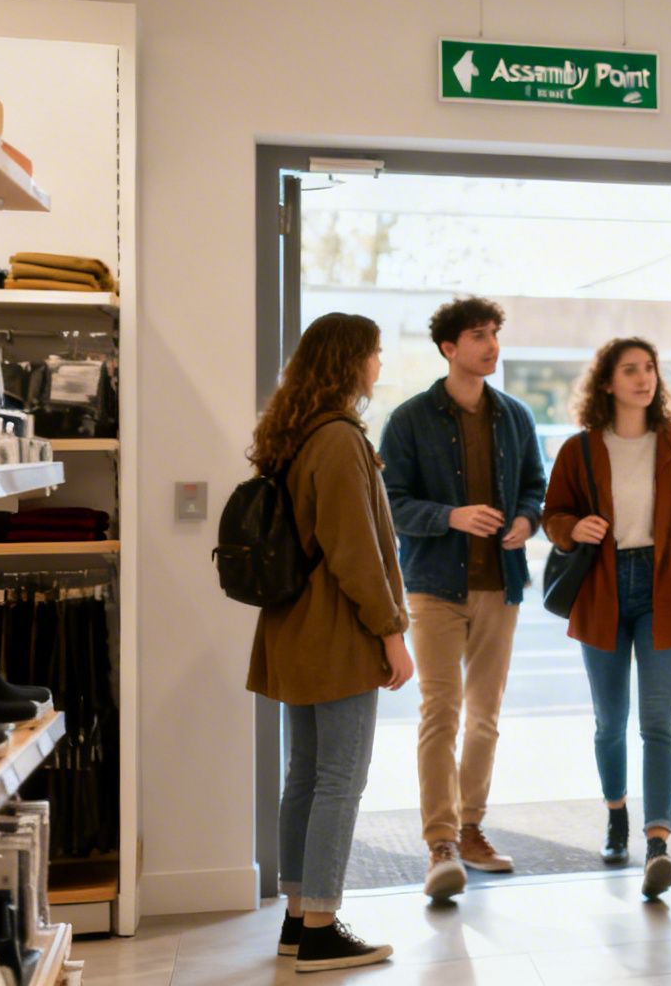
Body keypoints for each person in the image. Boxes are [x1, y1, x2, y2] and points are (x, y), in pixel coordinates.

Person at [246, 312, 414, 974]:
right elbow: (356, 553)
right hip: (337, 630)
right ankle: (320, 927)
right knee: (340, 779)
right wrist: (391, 632)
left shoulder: (293, 433)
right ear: (349, 363)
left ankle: (298, 919)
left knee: (307, 775)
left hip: (294, 626)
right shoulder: (339, 439)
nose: (378, 365)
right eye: (373, 353)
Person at [377, 297, 547, 901]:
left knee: (485, 716)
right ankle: (441, 842)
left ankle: (471, 827)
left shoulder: (515, 416)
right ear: (449, 348)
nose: (492, 345)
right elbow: (391, 503)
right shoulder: (410, 419)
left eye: (495, 333)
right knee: (440, 713)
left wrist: (526, 520)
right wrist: (451, 516)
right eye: (479, 335)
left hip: (501, 586)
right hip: (434, 588)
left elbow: (536, 486)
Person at [542, 337, 671, 900]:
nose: (643, 379)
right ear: (607, 382)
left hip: (665, 590)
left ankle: (658, 843)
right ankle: (616, 813)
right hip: (602, 588)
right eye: (630, 370)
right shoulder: (580, 449)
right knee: (610, 720)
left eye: (650, 369)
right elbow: (552, 515)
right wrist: (573, 528)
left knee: (658, 722)